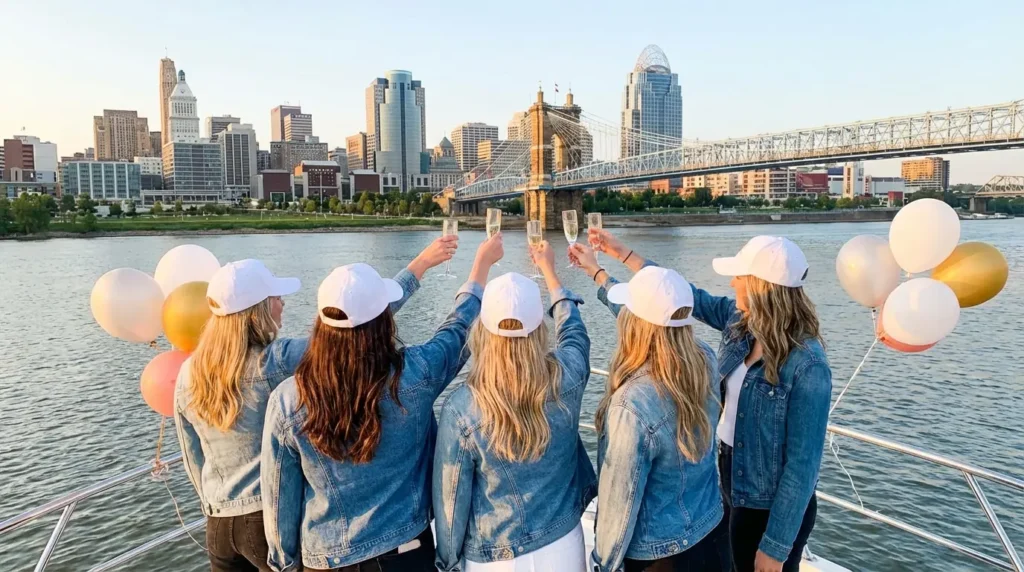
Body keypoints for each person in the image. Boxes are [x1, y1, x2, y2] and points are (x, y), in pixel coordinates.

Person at [175, 240, 455, 572]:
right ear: (257, 312)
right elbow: (350, 328)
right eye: (275, 298)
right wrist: (418, 267)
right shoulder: (275, 362)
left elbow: (192, 455)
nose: (282, 303)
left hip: (219, 523)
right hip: (265, 518)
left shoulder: (188, 372)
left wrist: (213, 502)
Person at [582, 230, 831, 572]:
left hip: (768, 507)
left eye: (738, 277)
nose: (732, 284)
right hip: (726, 485)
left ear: (760, 287)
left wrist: (775, 546)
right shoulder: (740, 323)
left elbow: (803, 467)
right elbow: (673, 302)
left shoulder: (808, 364)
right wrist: (619, 256)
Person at [261, 234, 503, 572]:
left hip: (328, 560)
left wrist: (284, 563)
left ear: (320, 325)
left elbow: (278, 498)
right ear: (385, 321)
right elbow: (458, 328)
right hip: (407, 553)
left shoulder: (288, 400)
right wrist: (480, 268)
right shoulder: (416, 373)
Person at [433, 241, 596, 572]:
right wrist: (551, 273)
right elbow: (574, 332)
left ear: (482, 331)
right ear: (539, 329)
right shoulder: (568, 376)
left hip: (494, 558)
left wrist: (447, 562)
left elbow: (451, 503)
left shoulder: (463, 408)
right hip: (563, 545)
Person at [570, 244, 728, 572]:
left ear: (634, 322)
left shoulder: (632, 405)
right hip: (711, 534)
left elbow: (620, 502)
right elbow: (657, 320)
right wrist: (596, 272)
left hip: (658, 557)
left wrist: (603, 565)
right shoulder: (704, 360)